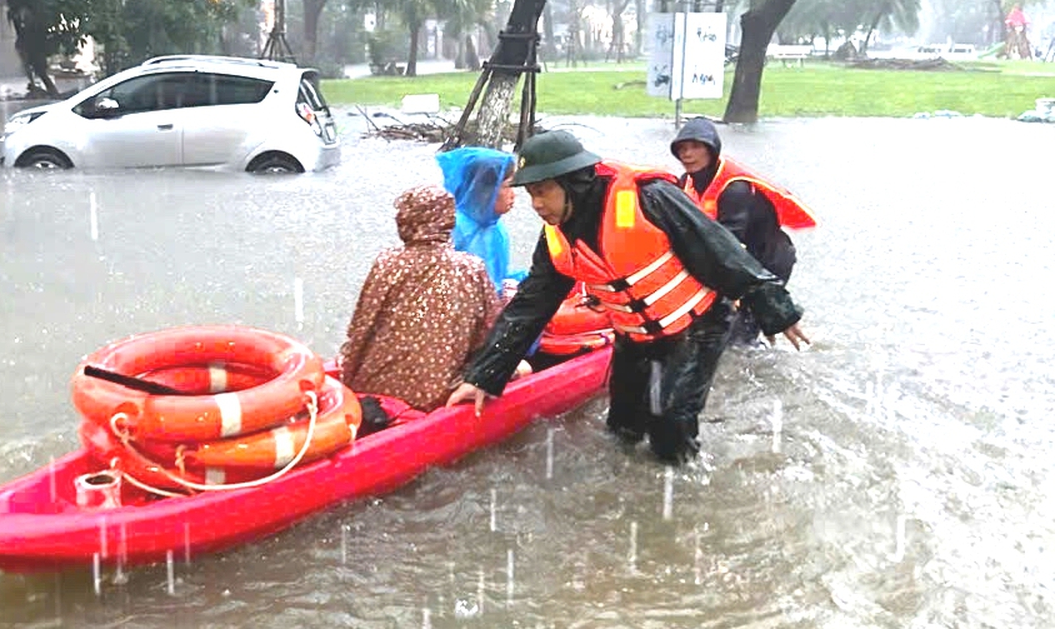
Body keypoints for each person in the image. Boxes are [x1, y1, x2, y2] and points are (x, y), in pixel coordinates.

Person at [445, 130, 810, 464]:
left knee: (669, 429)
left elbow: (719, 250)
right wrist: (485, 375)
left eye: (543, 191)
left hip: (697, 327)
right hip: (634, 336)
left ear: (574, 183)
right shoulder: (556, 234)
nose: (536, 204)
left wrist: (776, 308)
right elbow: (530, 306)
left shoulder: (650, 198)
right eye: (530, 194)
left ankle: (677, 502)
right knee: (623, 427)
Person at [339, 185, 504, 412]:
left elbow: (361, 327)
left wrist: (347, 377)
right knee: (522, 366)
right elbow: (490, 335)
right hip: (437, 392)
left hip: (373, 384)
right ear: (448, 221)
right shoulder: (470, 267)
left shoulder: (385, 262)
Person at [670, 117, 817, 346]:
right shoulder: (684, 182)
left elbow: (729, 248)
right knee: (725, 325)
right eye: (682, 149)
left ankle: (755, 358)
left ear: (711, 150)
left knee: (738, 337)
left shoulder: (735, 189)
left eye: (695, 147)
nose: (687, 154)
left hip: (767, 261)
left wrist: (763, 304)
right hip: (734, 258)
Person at [435, 146, 527, 292]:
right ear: (486, 191)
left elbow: (497, 277)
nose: (513, 195)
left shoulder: (495, 227)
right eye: (507, 187)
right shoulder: (454, 228)